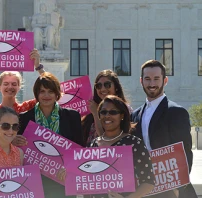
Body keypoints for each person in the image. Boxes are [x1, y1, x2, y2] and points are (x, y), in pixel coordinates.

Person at [58, 95, 155, 198]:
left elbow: (149, 182)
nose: (107, 115)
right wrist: (68, 174)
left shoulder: (134, 143)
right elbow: (84, 178)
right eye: (103, 112)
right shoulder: (92, 145)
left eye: (113, 112)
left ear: (122, 115)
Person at [131, 60, 197, 198]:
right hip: (145, 187)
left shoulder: (177, 112)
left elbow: (185, 152)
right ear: (141, 81)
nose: (152, 84)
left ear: (165, 80)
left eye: (156, 79)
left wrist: (178, 187)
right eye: (147, 79)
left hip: (171, 189)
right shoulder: (135, 115)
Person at [18, 72, 82, 198]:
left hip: (62, 181)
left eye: (50, 91)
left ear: (57, 93)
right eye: (42, 91)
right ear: (36, 94)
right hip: (34, 182)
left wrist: (70, 167)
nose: (46, 95)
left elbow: (79, 148)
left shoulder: (72, 117)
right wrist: (14, 140)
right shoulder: (23, 118)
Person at [82, 69, 130, 146]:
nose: (103, 89)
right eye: (99, 86)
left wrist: (95, 114)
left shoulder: (125, 109)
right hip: (92, 155)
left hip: (114, 154)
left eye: (107, 85)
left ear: (116, 87)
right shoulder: (91, 108)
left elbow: (105, 138)